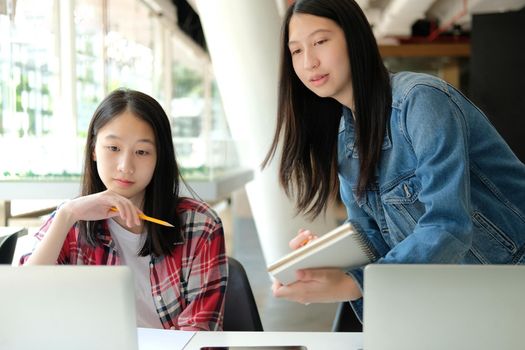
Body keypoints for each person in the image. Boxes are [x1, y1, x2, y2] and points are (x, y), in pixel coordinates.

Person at [263, 0, 525, 321]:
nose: (309, 62)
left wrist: (354, 284)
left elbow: (448, 226)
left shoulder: (420, 100)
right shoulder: (347, 136)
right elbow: (371, 233)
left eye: (320, 42)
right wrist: (329, 255)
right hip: (465, 295)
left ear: (355, 38)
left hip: (511, 285)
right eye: (296, 51)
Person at [21, 88, 228, 331]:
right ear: (94, 150)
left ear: (159, 158)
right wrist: (67, 215)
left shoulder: (200, 226)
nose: (125, 166)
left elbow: (199, 335)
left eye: (141, 152)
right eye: (113, 148)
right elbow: (25, 300)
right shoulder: (73, 217)